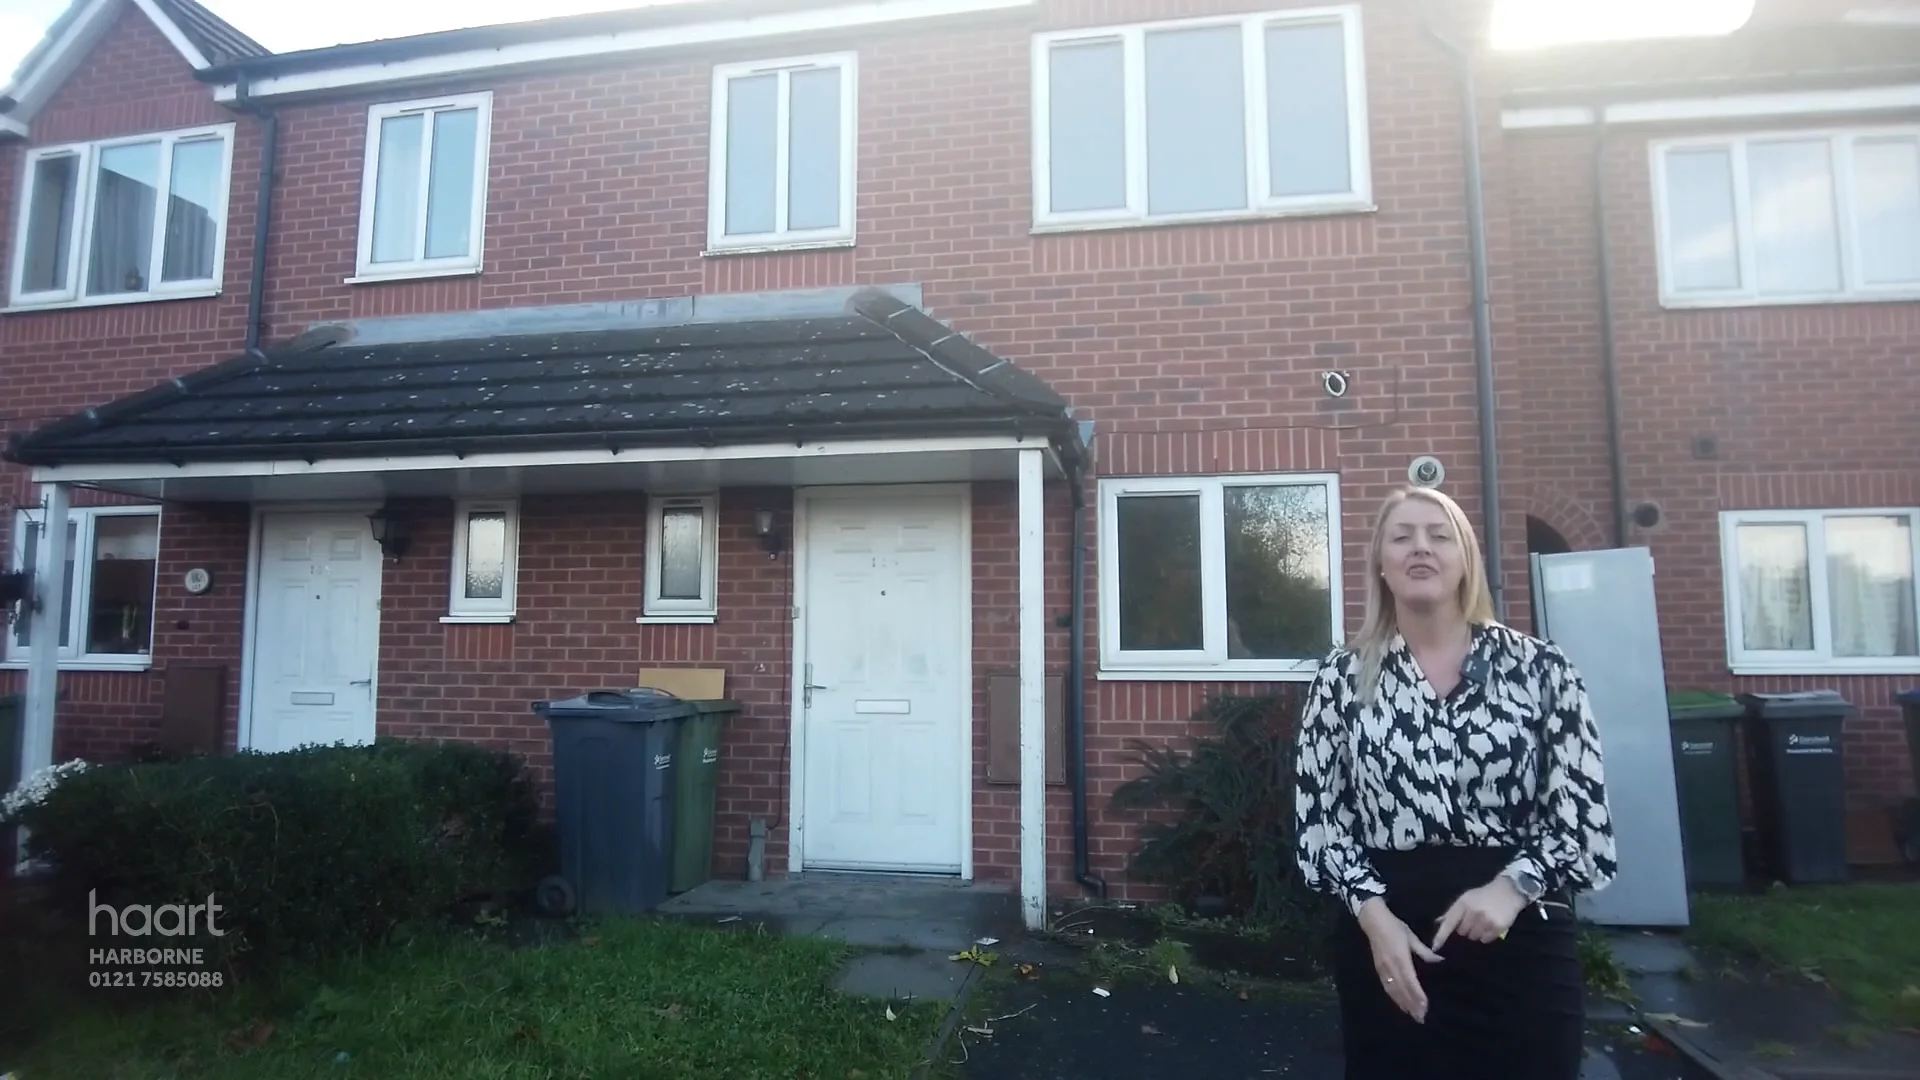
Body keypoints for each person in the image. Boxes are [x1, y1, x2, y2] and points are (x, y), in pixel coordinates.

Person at [1292, 485, 1617, 1080]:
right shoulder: (1341, 680)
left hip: (1520, 937)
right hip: (1390, 938)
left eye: (1439, 536)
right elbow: (1322, 823)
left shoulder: (1541, 671)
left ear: (1465, 559)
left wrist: (1511, 889)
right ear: (1382, 564)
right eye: (1402, 537)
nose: (1421, 547)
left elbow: (1581, 818)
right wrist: (1374, 919)